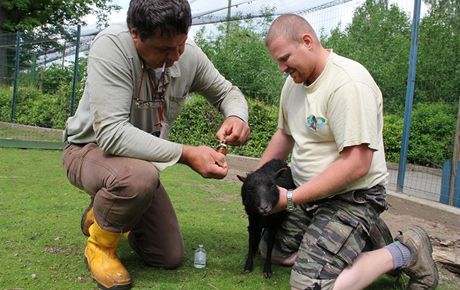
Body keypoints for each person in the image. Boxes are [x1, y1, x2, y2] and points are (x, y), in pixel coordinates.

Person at [62, 0, 250, 289]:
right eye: (164, 49)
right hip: (87, 150)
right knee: (138, 177)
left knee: (167, 254)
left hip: (139, 167)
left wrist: (237, 116)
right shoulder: (111, 47)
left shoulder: (186, 56)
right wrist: (186, 154)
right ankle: (100, 247)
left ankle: (102, 213)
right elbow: (111, 134)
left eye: (181, 44)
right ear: (136, 33)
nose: (175, 55)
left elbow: (228, 92)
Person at [257, 14, 438, 290]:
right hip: (308, 195)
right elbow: (285, 135)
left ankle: (408, 251)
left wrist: (291, 198)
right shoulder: (292, 84)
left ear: (307, 41)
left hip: (352, 197)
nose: (281, 68)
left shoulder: (349, 83)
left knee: (309, 285)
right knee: (272, 250)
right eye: (277, 62)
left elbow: (357, 164)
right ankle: (357, 238)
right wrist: (257, 183)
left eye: (285, 59)